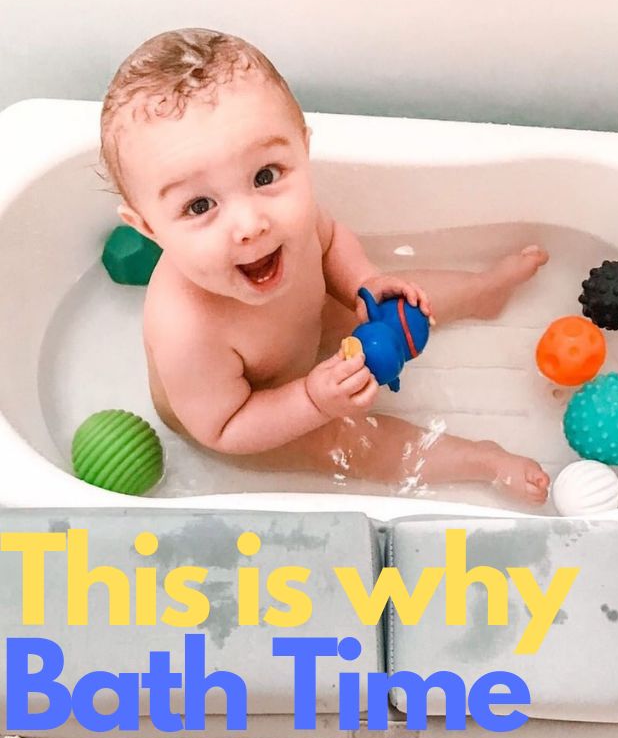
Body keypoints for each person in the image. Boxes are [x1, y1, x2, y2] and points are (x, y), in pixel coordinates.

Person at [101, 28, 550, 504]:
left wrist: (364, 282)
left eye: (265, 175)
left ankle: (483, 290)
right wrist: (311, 402)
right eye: (198, 206)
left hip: (310, 326)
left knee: (400, 298)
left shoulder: (288, 223)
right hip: (253, 409)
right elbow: (223, 428)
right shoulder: (186, 328)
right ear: (147, 228)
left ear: (303, 147)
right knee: (348, 442)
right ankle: (480, 460)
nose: (250, 224)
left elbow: (331, 239)